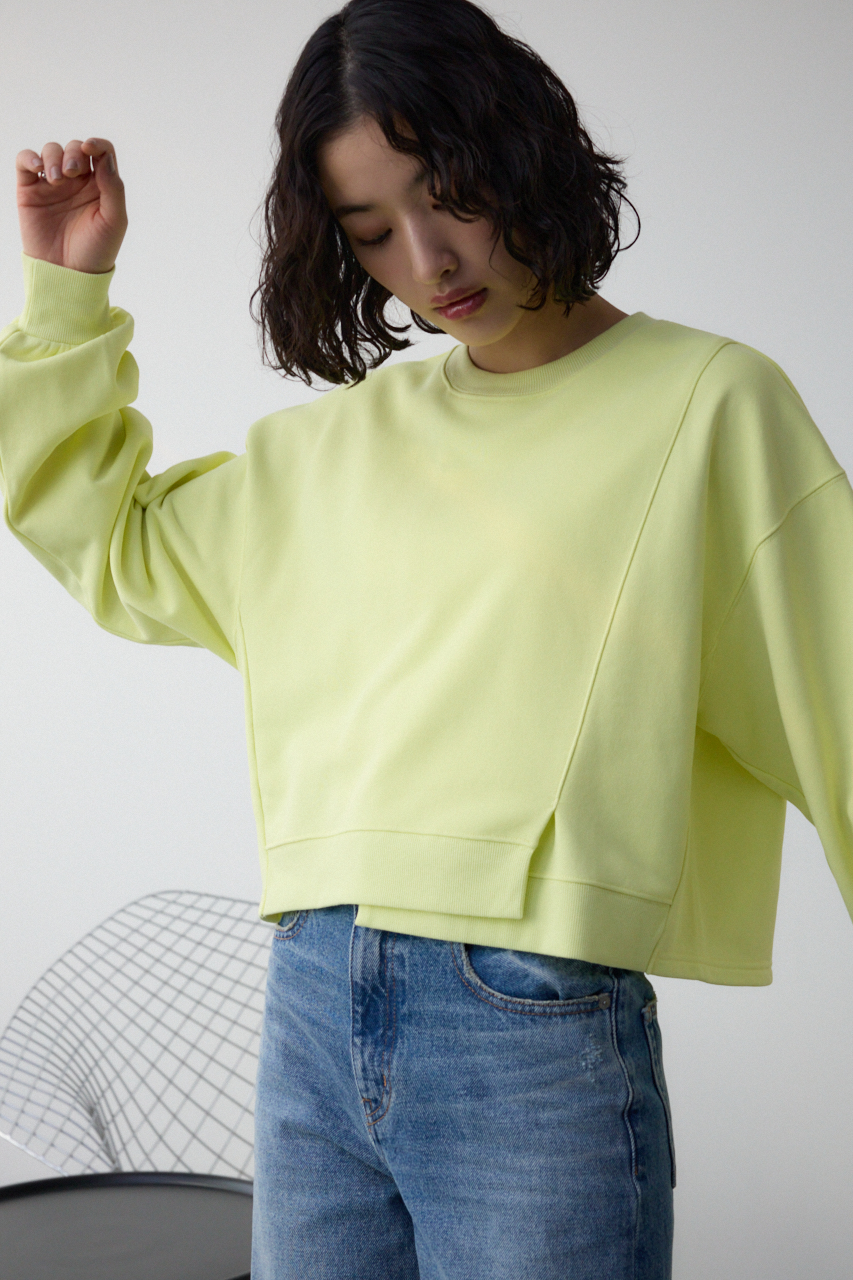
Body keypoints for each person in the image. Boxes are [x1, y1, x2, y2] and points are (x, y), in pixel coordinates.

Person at [2, 0, 852, 1277]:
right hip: (309, 993)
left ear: (523, 158)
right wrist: (69, 291)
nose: (428, 259)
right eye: (370, 230)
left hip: (530, 1014)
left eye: (450, 197)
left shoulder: (709, 404)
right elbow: (109, 539)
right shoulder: (335, 446)